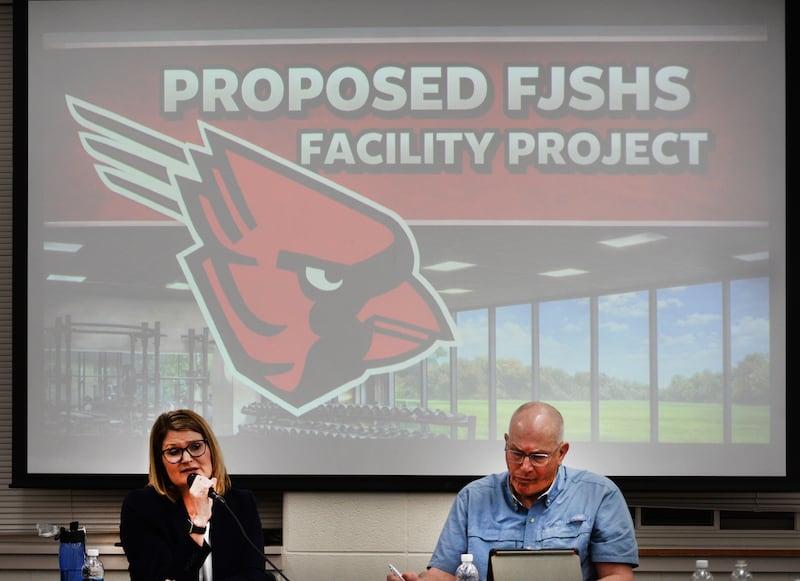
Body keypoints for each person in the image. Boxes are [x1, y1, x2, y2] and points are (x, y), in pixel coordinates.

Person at [388, 402, 638, 581]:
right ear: (506, 442)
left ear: (561, 453)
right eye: (516, 453)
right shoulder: (472, 497)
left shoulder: (599, 495)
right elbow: (443, 572)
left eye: (538, 457)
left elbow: (618, 575)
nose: (524, 467)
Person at [120, 409, 275, 581]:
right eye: (173, 452)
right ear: (160, 461)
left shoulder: (242, 503)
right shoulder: (141, 506)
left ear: (211, 449)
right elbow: (161, 577)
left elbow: (254, 575)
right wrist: (198, 524)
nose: (186, 458)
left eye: (195, 447)